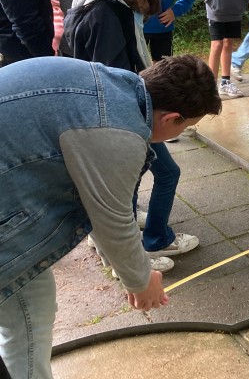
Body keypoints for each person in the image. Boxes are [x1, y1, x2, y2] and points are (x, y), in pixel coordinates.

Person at [0, 54, 222, 379]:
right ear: (171, 118)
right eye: (186, 127)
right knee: (28, 313)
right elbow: (113, 219)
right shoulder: (116, 130)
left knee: (33, 298)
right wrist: (142, 281)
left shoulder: (112, 85)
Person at [63, 0, 200, 271]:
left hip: (118, 108)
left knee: (137, 179)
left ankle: (130, 242)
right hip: (120, 112)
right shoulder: (106, 7)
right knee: (149, 176)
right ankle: (139, 250)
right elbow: (110, 73)